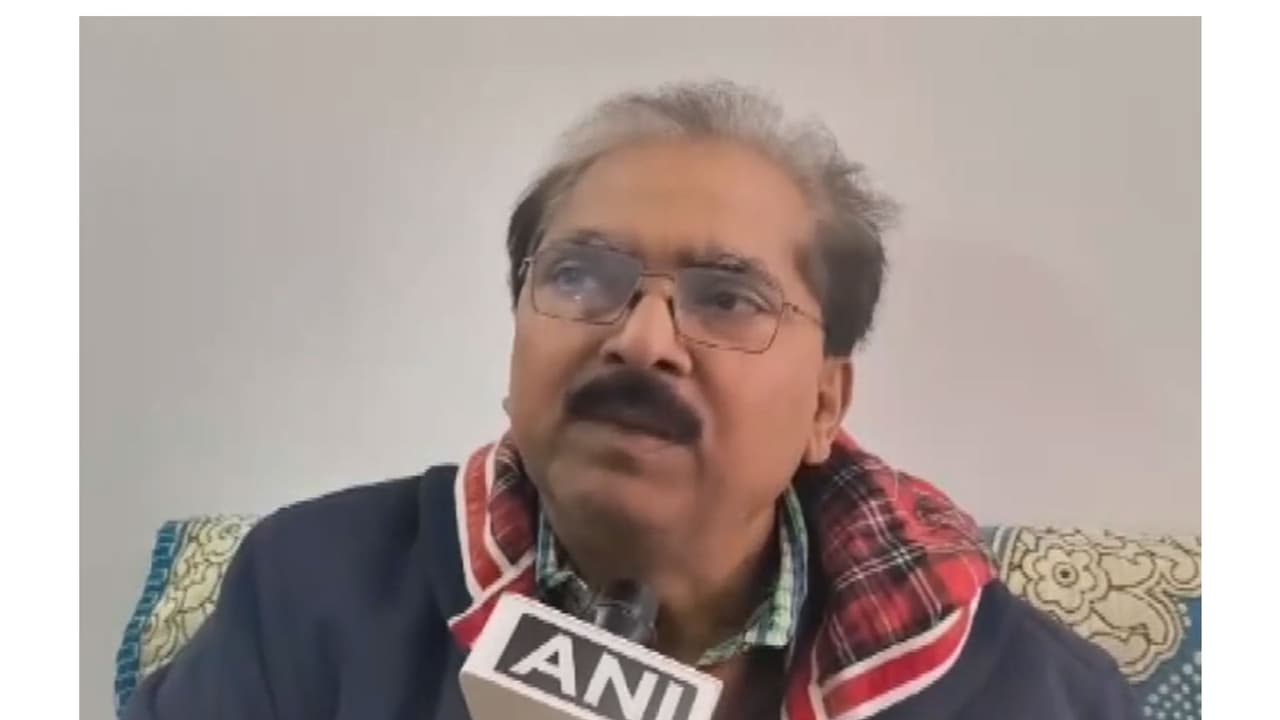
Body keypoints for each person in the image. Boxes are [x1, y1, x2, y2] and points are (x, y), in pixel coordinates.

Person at [122, 80, 1139, 720]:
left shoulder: (1034, 694)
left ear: (825, 405)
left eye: (727, 297)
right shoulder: (308, 592)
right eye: (579, 277)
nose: (642, 339)